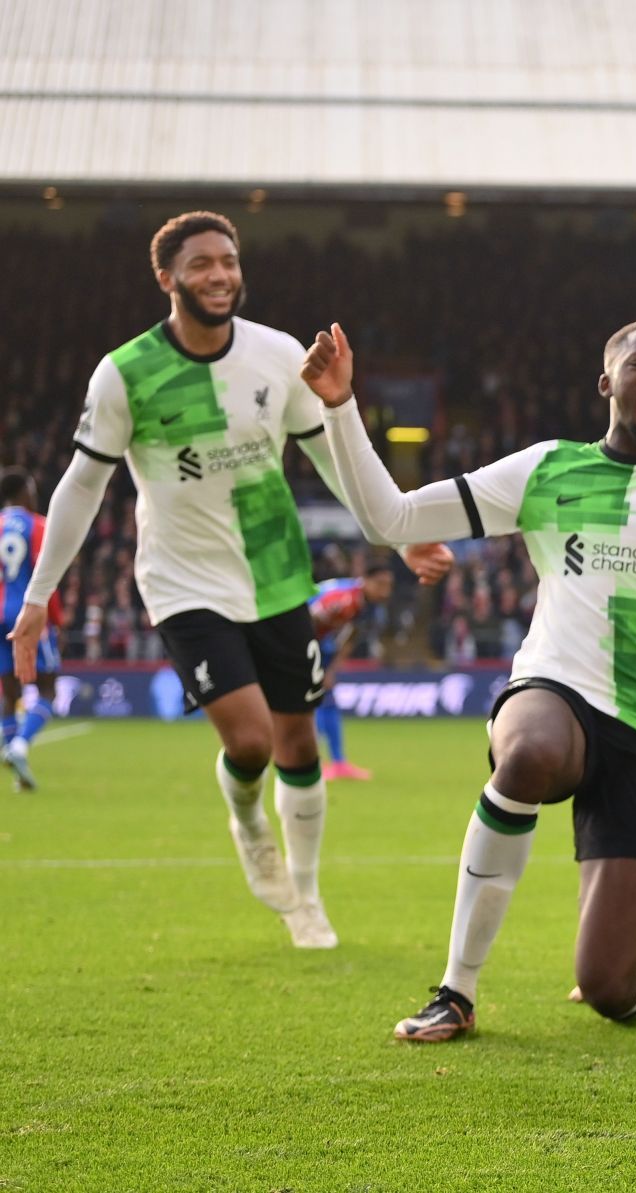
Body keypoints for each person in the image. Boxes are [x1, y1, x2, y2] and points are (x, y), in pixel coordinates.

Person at [300, 317, 636, 1042]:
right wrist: (339, 405)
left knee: (609, 989)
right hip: (557, 689)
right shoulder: (548, 469)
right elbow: (394, 518)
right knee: (529, 752)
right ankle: (457, 990)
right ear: (608, 382)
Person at [5, 211, 452, 948]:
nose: (220, 274)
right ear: (167, 278)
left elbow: (329, 457)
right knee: (250, 743)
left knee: (299, 746)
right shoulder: (125, 373)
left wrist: (395, 535)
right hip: (184, 584)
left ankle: (306, 899)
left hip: (276, 573)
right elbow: (81, 487)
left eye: (230, 260)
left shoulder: (277, 356)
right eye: (203, 263)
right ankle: (248, 821)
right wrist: (36, 597)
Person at [308, 564, 396, 781]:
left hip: (322, 644)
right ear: (365, 580)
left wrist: (331, 670)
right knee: (312, 701)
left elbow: (351, 637)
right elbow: (307, 619)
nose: (385, 591)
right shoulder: (343, 599)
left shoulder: (370, 605)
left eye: (389, 586)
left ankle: (336, 763)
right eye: (381, 585)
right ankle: (313, 761)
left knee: (325, 700)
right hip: (303, 641)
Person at [1, 469, 61, 791]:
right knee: (49, 688)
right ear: (23, 492)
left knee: (10, 695)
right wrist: (56, 620)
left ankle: (19, 778)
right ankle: (20, 746)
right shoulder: (36, 524)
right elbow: (45, 575)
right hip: (27, 616)